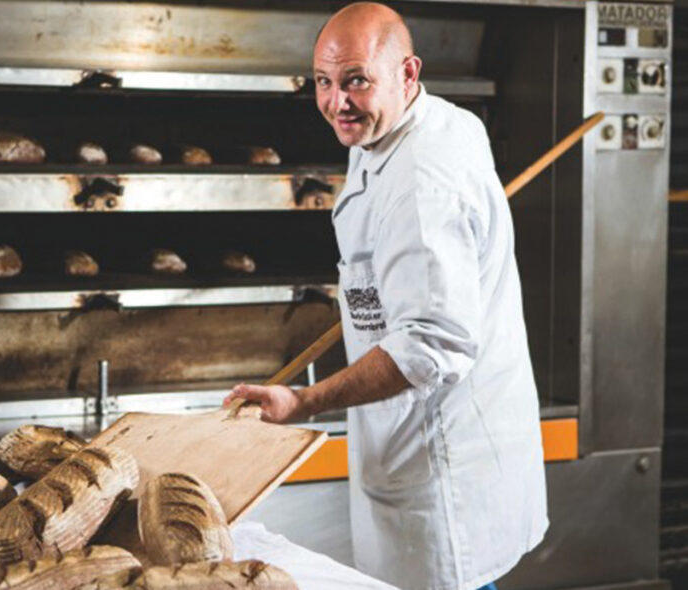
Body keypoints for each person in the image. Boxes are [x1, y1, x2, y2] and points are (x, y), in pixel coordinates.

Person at [223, 3, 548, 589]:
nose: (336, 102)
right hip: (427, 441)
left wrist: (304, 402)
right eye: (323, 82)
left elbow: (430, 347)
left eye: (356, 81)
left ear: (408, 74)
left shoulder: (424, 182)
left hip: (442, 458)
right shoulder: (423, 122)